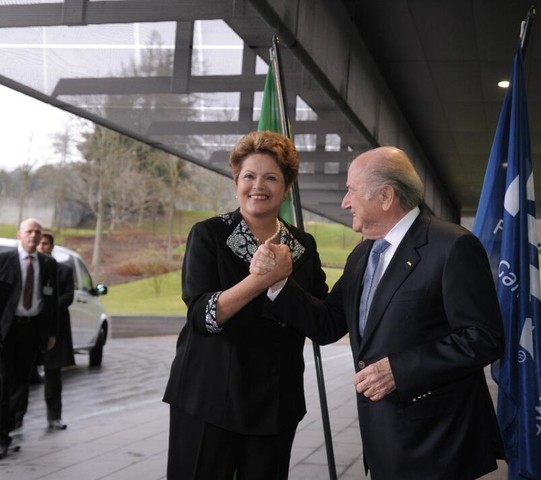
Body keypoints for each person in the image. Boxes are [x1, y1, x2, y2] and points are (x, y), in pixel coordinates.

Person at [254, 146, 506, 479]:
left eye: (351, 191)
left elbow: (483, 338)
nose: (345, 202)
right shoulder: (362, 256)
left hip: (438, 442)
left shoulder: (452, 246)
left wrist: (398, 370)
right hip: (384, 438)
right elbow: (329, 323)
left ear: (385, 196)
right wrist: (277, 284)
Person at [162, 131, 328, 480]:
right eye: (249, 176)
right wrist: (262, 279)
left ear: (286, 187)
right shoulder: (209, 234)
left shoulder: (304, 246)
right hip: (209, 396)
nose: (258, 186)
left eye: (271, 177)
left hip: (275, 401)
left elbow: (319, 318)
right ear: (236, 181)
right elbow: (202, 316)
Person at [0, 218, 58, 459]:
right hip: (6, 330)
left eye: (37, 232)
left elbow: (52, 300)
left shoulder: (48, 264)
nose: (33, 236)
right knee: (3, 382)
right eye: (29, 231)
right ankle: (2, 436)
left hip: (32, 330)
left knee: (21, 383)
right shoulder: (5, 260)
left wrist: (52, 333)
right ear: (19, 235)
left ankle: (10, 428)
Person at [10, 233, 75, 432]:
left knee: (53, 375)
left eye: (45, 243)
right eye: (40, 243)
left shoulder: (62, 270)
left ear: (51, 246)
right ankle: (15, 419)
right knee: (20, 377)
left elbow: (67, 296)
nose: (41, 245)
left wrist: (47, 307)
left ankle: (54, 416)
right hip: (28, 330)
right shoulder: (23, 267)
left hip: (52, 330)